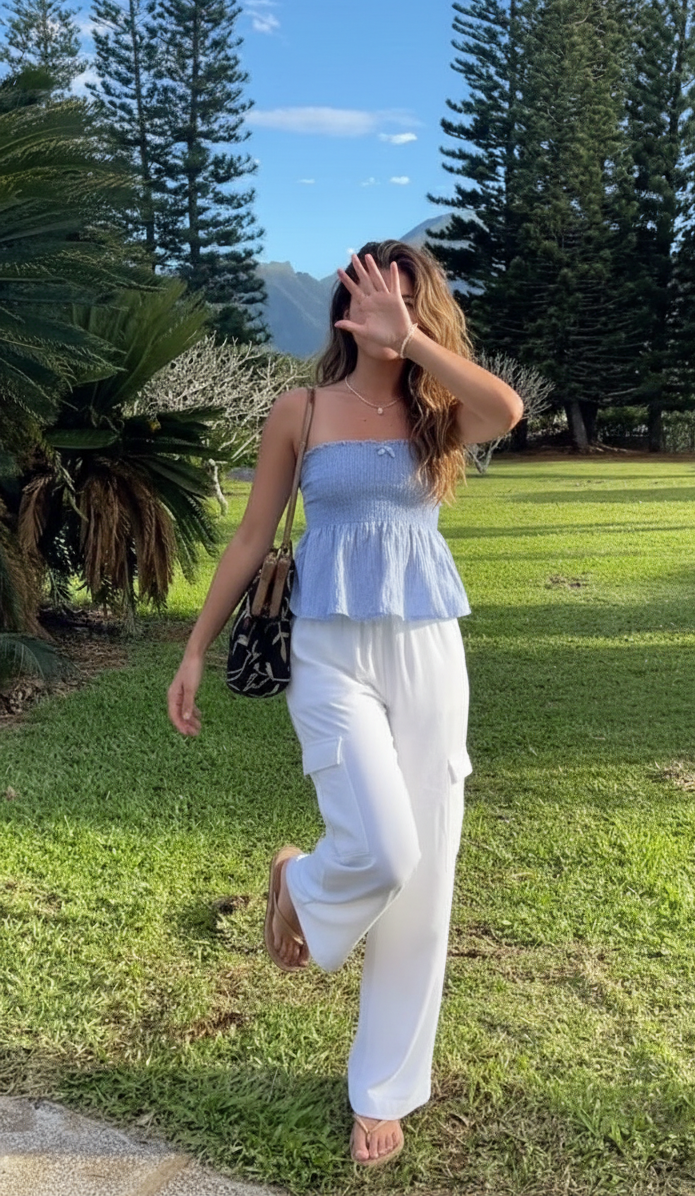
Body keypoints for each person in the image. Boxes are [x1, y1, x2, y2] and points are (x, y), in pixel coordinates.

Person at [167, 241, 523, 1168]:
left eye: (403, 297)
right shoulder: (303, 409)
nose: (384, 310)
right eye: (370, 295)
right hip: (329, 647)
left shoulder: (437, 410)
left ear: (420, 306)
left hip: (426, 645)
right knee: (383, 847)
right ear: (342, 308)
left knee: (427, 877)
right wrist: (195, 650)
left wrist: (417, 345)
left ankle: (382, 1088)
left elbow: (507, 411)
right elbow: (252, 538)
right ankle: (300, 878)